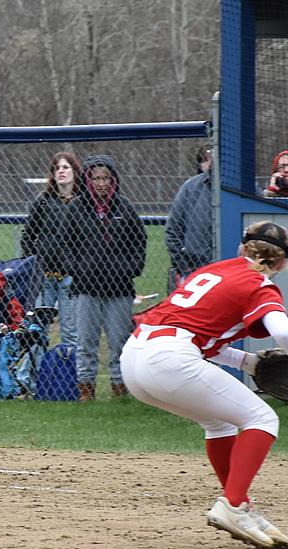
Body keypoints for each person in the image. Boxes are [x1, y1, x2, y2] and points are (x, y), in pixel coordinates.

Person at [120, 220, 288, 549]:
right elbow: (284, 331)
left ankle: (240, 505)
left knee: (218, 422)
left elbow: (203, 337)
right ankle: (232, 505)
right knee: (263, 420)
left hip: (134, 358)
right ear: (282, 262)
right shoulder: (258, 284)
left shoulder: (216, 271)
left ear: (242, 248)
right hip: (169, 360)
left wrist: (248, 363)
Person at [62, 154, 147, 401]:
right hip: (85, 288)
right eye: (96, 178)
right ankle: (86, 391)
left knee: (119, 342)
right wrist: (77, 268)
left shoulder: (124, 207)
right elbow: (65, 245)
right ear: (88, 180)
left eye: (106, 178)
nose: (101, 183)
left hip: (119, 289)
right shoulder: (76, 208)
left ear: (113, 180)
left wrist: (130, 268)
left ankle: (119, 390)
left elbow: (139, 242)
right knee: (85, 343)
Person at [21, 151, 81, 347]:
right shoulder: (43, 200)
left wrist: (78, 267)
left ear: (74, 171)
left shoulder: (83, 202)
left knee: (70, 331)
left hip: (70, 278)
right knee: (37, 330)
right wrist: (33, 263)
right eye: (56, 168)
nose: (60, 171)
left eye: (65, 167)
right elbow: (28, 235)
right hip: (43, 276)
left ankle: (70, 375)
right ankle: (29, 376)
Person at [165, 145, 214, 293]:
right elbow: (173, 230)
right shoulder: (190, 188)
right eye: (205, 159)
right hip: (195, 271)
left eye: (212, 157)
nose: (210, 162)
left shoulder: (239, 186)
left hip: (231, 270)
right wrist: (184, 266)